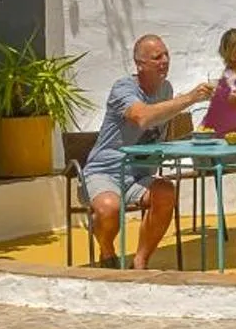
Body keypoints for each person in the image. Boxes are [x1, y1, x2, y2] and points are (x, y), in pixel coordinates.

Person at [79, 34, 216, 269]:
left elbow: (161, 124)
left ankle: (140, 261)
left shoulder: (166, 89)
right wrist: (191, 98)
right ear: (140, 64)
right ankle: (107, 249)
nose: (165, 61)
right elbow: (142, 117)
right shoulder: (123, 88)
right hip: (106, 172)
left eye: (166, 55)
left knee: (165, 192)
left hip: (140, 174)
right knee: (110, 208)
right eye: (157, 57)